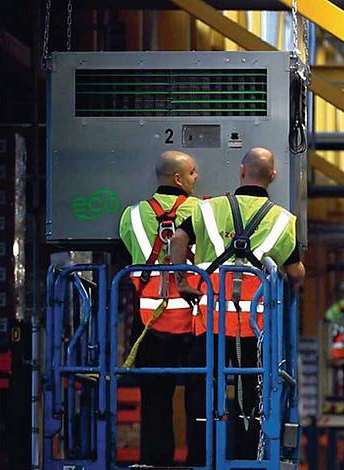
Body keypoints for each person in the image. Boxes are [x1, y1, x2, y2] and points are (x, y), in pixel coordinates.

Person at [170, 147, 305, 463]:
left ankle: (200, 459)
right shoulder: (283, 220)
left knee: (202, 393)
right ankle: (249, 459)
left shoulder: (208, 209)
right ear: (272, 176)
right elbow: (296, 272)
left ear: (242, 171)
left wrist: (182, 281)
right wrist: (290, 288)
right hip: (256, 329)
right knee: (253, 397)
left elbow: (178, 239)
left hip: (211, 321)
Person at [118, 150, 200, 466]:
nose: (197, 178)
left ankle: (155, 461)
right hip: (194, 318)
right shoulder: (203, 211)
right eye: (193, 173)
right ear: (178, 178)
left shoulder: (132, 215)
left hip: (149, 321)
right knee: (199, 398)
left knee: (154, 398)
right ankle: (200, 460)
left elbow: (128, 250)